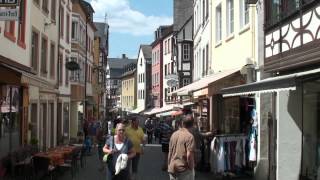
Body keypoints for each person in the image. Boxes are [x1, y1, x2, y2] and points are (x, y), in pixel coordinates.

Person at [168, 115, 195, 180]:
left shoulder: (174, 134)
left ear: (182, 123)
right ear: (193, 124)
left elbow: (170, 152)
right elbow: (189, 155)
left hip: (172, 168)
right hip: (183, 169)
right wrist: (191, 168)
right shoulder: (190, 136)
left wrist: (169, 165)